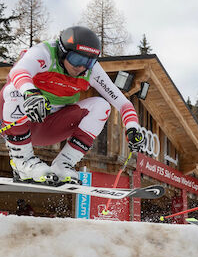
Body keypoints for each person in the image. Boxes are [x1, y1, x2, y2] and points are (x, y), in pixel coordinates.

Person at [1, 26, 145, 185]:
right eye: (77, 59)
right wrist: (31, 93)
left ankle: (63, 164)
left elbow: (123, 103)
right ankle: (23, 162)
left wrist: (132, 127)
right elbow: (18, 72)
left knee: (102, 106)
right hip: (15, 119)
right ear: (63, 52)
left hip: (48, 127)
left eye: (88, 62)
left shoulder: (91, 71)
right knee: (14, 90)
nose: (81, 67)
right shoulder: (46, 52)